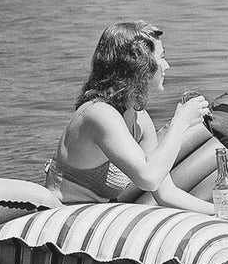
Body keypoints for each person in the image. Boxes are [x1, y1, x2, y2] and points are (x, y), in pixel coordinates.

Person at [43, 20, 215, 213]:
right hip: (65, 216)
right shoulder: (99, 113)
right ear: (140, 66)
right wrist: (180, 122)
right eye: (162, 57)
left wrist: (224, 212)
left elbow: (165, 193)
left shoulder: (139, 119)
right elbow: (149, 178)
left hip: (98, 213)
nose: (167, 65)